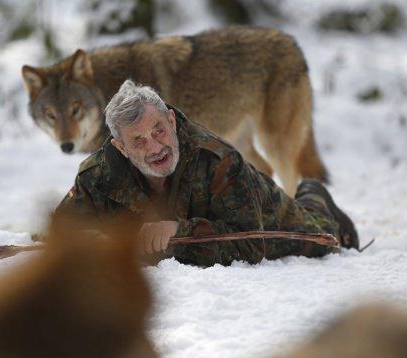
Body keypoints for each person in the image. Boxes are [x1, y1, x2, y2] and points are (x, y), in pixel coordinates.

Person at [57, 79, 359, 267]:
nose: (154, 147)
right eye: (138, 141)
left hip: (271, 216)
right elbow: (57, 229)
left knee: (320, 235)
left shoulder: (218, 160)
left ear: (172, 121)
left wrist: (178, 232)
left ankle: (313, 193)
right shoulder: (97, 174)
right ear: (120, 147)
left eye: (159, 130)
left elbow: (251, 245)